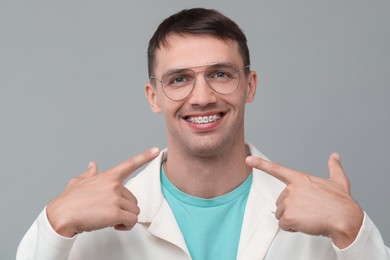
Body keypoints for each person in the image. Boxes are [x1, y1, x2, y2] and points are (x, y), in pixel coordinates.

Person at [17, 8, 389, 260]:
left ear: (250, 85)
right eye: (179, 79)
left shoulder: (320, 217)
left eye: (221, 74)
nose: (202, 97)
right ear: (154, 96)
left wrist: (357, 232)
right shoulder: (93, 222)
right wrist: (52, 225)